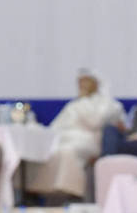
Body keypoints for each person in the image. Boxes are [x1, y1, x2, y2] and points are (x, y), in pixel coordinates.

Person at [27, 68, 123, 200]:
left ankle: (72, 193)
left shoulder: (108, 103)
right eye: (80, 82)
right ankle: (41, 193)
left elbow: (96, 121)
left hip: (88, 140)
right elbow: (55, 127)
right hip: (63, 139)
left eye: (85, 81)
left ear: (96, 83)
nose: (82, 85)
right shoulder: (72, 105)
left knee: (67, 151)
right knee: (45, 151)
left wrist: (83, 101)